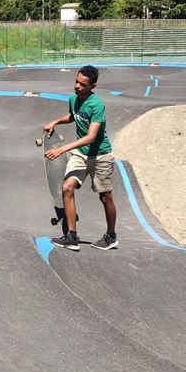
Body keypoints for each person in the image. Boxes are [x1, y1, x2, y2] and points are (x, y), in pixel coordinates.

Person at [43, 65, 117, 252]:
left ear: (93, 86)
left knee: (105, 197)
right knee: (67, 187)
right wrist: (55, 121)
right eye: (76, 82)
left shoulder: (97, 105)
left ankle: (111, 236)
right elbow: (74, 116)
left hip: (100, 155)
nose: (77, 86)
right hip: (80, 154)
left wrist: (62, 149)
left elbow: (92, 136)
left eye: (82, 85)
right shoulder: (73, 98)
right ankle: (72, 237)